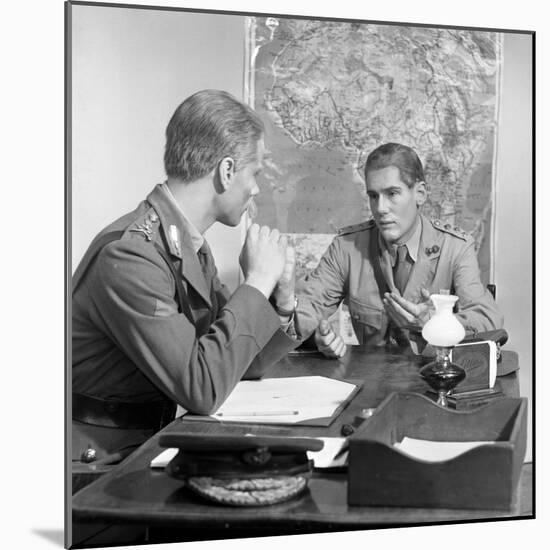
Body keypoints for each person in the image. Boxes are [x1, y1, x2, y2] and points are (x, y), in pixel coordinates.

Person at [72, 90, 298, 465]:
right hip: (95, 464)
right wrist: (256, 282)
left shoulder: (184, 245)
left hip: (144, 443)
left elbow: (236, 363)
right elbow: (202, 388)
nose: (256, 188)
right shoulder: (131, 256)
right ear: (227, 172)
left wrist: (281, 298)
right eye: (255, 173)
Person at [293, 142, 503, 357]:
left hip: (433, 379)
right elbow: (305, 311)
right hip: (370, 381)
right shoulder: (347, 247)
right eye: (373, 196)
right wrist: (316, 337)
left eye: (392, 193)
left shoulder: (455, 248)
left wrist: (433, 322)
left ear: (420, 193)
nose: (380, 208)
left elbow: (487, 319)